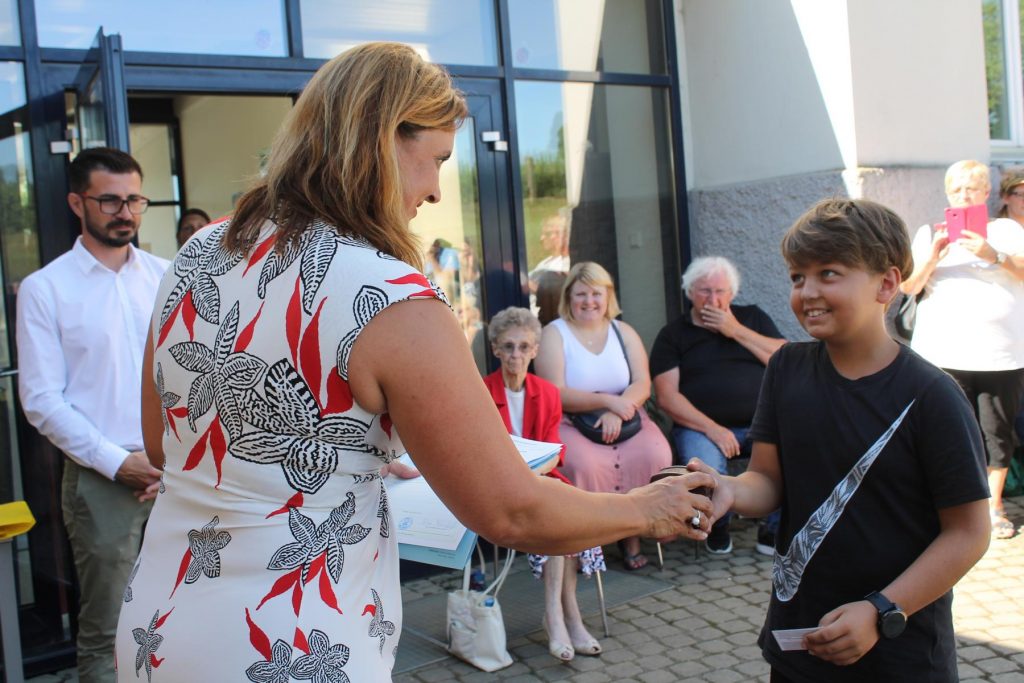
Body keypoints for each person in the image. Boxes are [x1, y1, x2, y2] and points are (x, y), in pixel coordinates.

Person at [114, 42, 714, 682]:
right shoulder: (389, 296)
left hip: (164, 621)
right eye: (437, 160)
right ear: (380, 142)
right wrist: (646, 508)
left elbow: (165, 439)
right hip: (289, 640)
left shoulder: (202, 250)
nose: (433, 191)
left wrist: (336, 456)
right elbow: (511, 511)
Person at [690, 198, 990, 682]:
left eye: (828, 273)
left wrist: (882, 609)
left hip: (901, 655)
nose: (807, 291)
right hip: (800, 643)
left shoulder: (932, 395)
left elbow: (969, 533)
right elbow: (767, 479)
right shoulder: (786, 370)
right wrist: (728, 490)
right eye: (797, 276)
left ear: (886, 284)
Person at [16, 147, 167, 683]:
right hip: (102, 479)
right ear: (77, 203)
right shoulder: (45, 289)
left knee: (182, 612)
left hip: (176, 472)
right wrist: (117, 463)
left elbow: (193, 374)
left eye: (134, 200)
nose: (125, 213)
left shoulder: (166, 277)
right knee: (109, 630)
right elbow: (41, 399)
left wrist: (176, 461)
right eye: (110, 201)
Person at [901, 160, 1024, 540]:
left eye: (971, 189)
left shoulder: (1006, 230)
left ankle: (993, 506)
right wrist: (932, 258)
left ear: (986, 192)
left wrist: (993, 254)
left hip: (1000, 353)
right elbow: (907, 287)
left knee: (996, 431)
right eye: (956, 190)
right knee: (949, 430)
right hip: (942, 352)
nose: (963, 196)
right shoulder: (929, 232)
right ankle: (953, 507)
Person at [483, 306, 604, 662]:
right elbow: (482, 453)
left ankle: (561, 615)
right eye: (508, 346)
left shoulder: (548, 393)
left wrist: (534, 476)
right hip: (499, 487)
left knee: (570, 516)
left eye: (524, 347)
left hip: (541, 480)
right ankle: (564, 617)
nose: (515, 355)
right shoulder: (481, 393)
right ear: (495, 349)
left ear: (535, 350)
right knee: (556, 517)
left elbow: (554, 449)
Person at [535, 261, 674, 571]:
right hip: (572, 420)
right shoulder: (554, 334)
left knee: (656, 454)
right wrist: (608, 403)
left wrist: (619, 410)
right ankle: (588, 542)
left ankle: (633, 534)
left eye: (596, 293)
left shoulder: (623, 332)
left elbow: (642, 383)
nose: (589, 301)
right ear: (568, 297)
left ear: (608, 296)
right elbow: (554, 392)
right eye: (581, 294)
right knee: (582, 464)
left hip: (628, 417)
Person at [651, 256, 786, 555]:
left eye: (720, 291)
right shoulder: (673, 335)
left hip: (760, 424)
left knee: (791, 450)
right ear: (690, 292)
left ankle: (773, 530)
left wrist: (734, 330)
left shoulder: (751, 318)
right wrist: (714, 429)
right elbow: (667, 397)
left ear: (732, 293)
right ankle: (717, 525)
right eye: (704, 291)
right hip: (701, 428)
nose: (713, 299)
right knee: (704, 466)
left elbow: (785, 361)